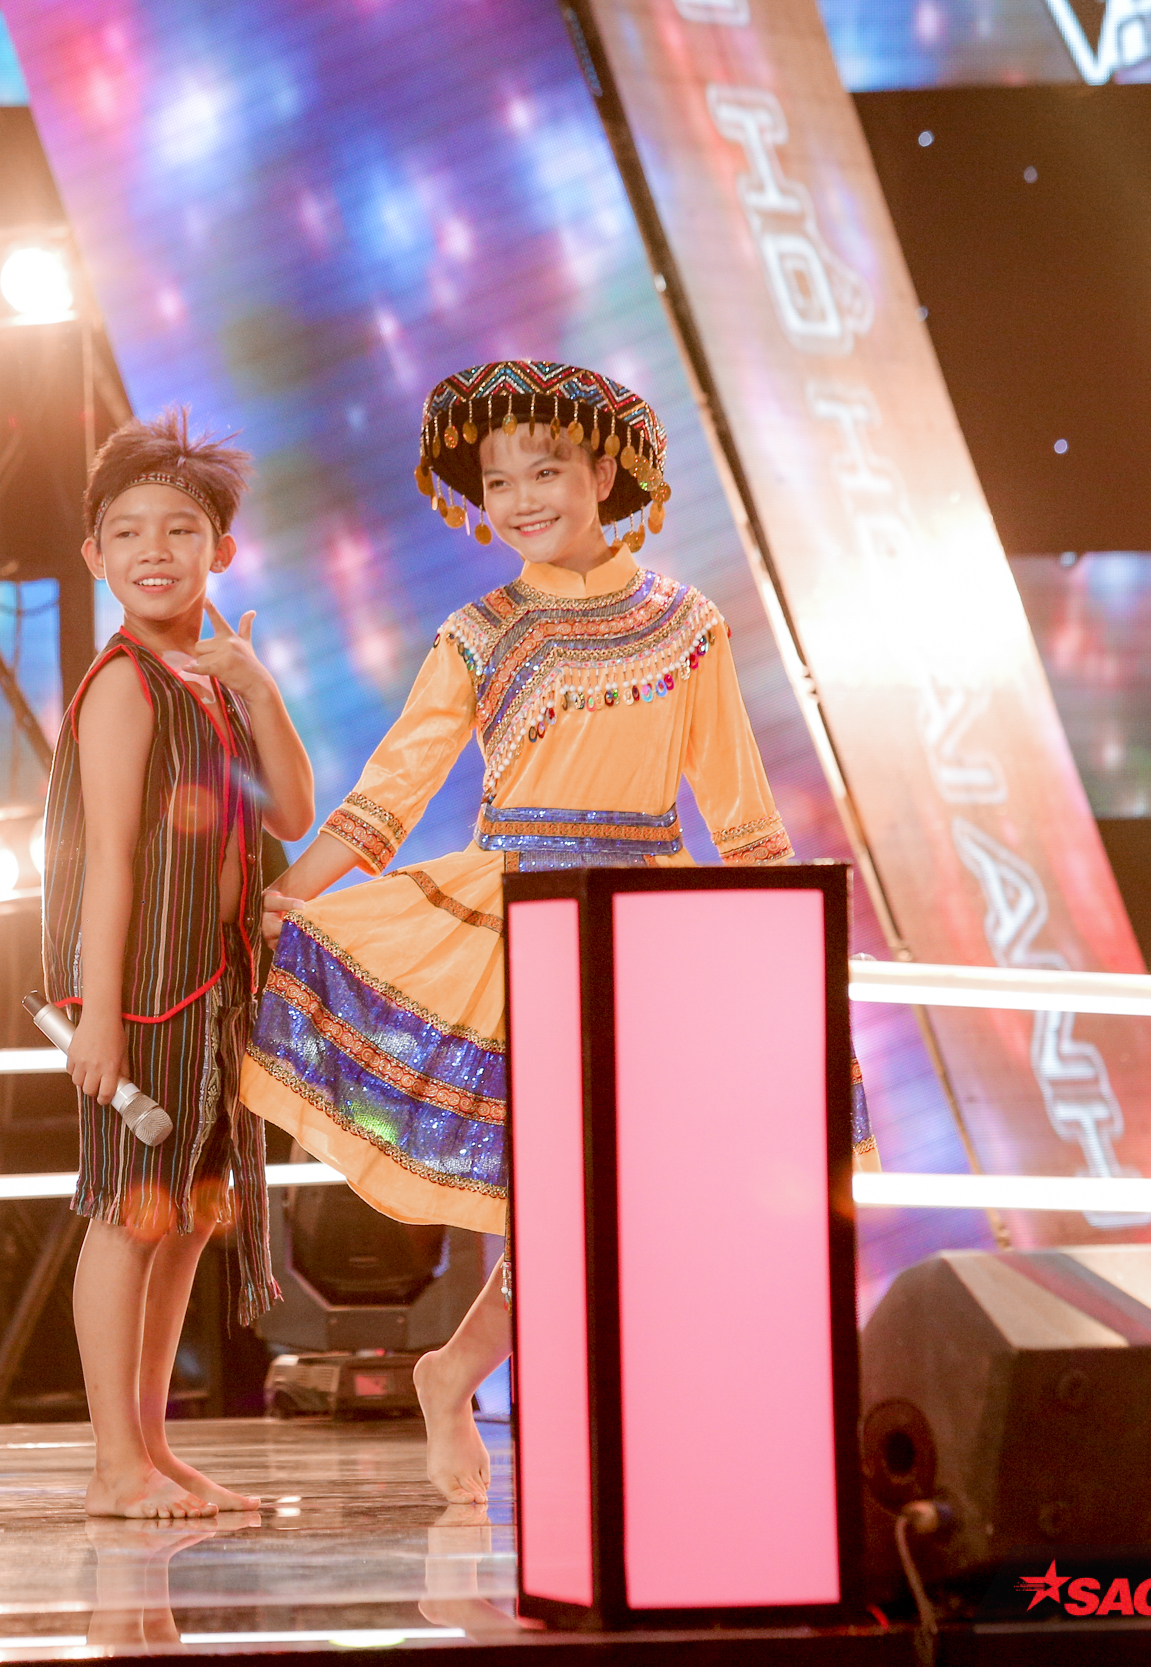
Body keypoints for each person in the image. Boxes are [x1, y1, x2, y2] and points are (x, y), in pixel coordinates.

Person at [239, 360, 878, 1504]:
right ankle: (508, 1392)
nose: (520, 497)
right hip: (522, 924)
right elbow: (387, 794)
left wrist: (784, 938)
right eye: (497, 481)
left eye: (544, 470)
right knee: (565, 1196)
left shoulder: (687, 625)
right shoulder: (479, 631)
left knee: (654, 1191)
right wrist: (292, 893)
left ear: (604, 473)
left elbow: (739, 810)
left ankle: (481, 1375)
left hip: (651, 926)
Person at [41, 412, 316, 1518]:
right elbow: (105, 859)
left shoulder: (212, 679)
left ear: (222, 550)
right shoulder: (124, 684)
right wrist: (99, 1015)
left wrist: (257, 685)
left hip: (220, 988)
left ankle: (151, 1446)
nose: (153, 550)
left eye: (180, 529)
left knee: (191, 1216)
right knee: (128, 1211)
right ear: (93, 555)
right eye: (127, 531)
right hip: (149, 992)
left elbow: (292, 812)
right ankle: (115, 1462)